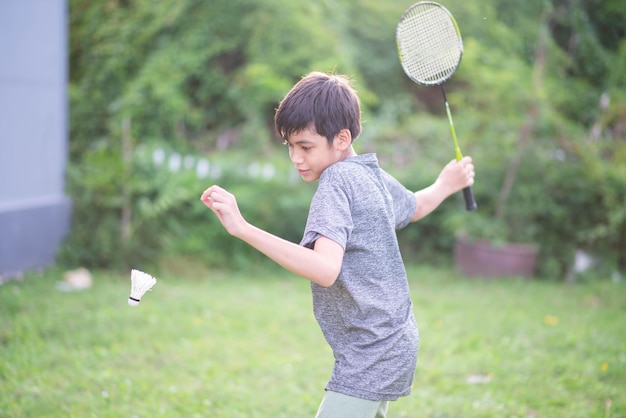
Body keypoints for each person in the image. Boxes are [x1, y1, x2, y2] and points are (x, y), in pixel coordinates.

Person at [200, 71, 475, 418]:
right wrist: (446, 183)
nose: (296, 158)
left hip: (371, 350)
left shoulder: (337, 181)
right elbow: (415, 206)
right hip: (394, 341)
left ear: (342, 138)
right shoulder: (369, 173)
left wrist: (243, 228)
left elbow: (325, 269)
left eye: (306, 147)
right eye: (290, 146)